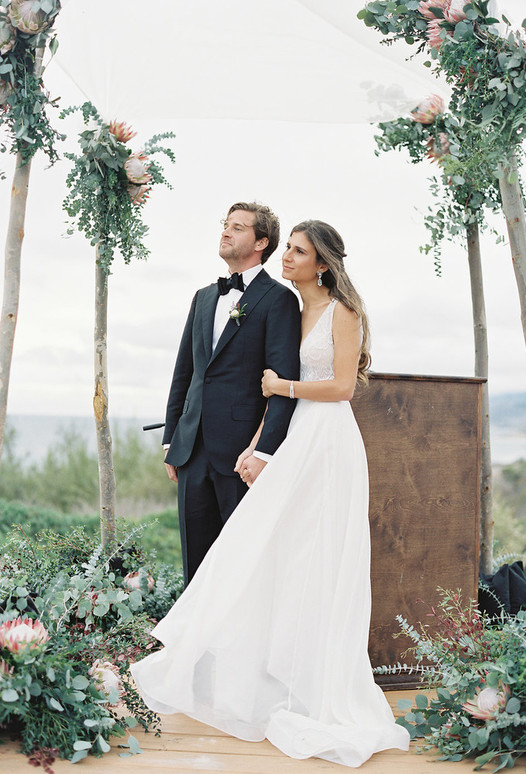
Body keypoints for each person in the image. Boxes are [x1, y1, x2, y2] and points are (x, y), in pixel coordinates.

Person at [131, 220, 410, 767]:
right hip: (290, 439)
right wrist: (258, 442)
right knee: (268, 553)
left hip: (327, 442)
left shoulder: (342, 312)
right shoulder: (290, 308)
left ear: (322, 263)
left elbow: (343, 388)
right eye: (287, 248)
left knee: (315, 556)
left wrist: (283, 388)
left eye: (299, 251)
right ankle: (254, 669)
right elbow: (203, 375)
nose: (288, 257)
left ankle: (316, 684)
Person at [162, 202, 301, 586]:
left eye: (237, 228)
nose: (225, 232)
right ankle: (196, 644)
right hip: (191, 451)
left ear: (261, 242)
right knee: (196, 563)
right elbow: (185, 372)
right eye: (225, 225)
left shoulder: (279, 300)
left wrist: (262, 452)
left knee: (244, 563)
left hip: (242, 456)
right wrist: (172, 440)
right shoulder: (203, 297)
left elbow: (283, 384)